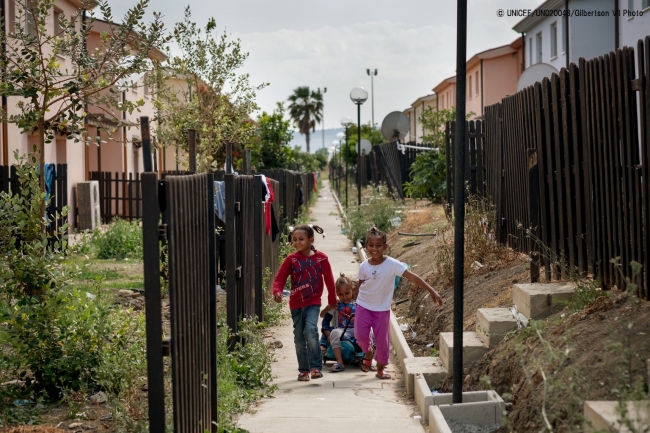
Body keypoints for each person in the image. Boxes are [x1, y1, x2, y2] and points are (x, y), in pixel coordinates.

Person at [355, 226, 443, 379]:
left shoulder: (392, 264)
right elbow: (360, 285)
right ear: (366, 245)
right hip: (363, 305)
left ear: (385, 247)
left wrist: (431, 290)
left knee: (382, 342)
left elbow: (413, 277)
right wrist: (352, 295)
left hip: (381, 309)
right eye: (371, 245)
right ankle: (368, 352)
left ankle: (381, 369)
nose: (374, 249)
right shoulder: (364, 266)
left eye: (378, 245)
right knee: (360, 336)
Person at [272, 224, 337, 382]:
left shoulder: (321, 258)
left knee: (311, 331)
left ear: (311, 240)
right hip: (296, 305)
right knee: (299, 338)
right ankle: (303, 370)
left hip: (313, 303)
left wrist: (332, 300)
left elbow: (329, 281)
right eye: (294, 239)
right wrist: (277, 292)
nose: (297, 242)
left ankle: (315, 367)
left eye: (301, 239)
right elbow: (280, 279)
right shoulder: (291, 259)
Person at [319, 273, 356, 372]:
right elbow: (323, 319)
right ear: (337, 294)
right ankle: (340, 362)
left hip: (355, 332)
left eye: (347, 293)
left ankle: (369, 359)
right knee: (333, 332)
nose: (344, 297)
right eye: (341, 294)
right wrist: (328, 307)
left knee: (371, 332)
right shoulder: (336, 305)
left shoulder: (358, 304)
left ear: (352, 290)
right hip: (340, 332)